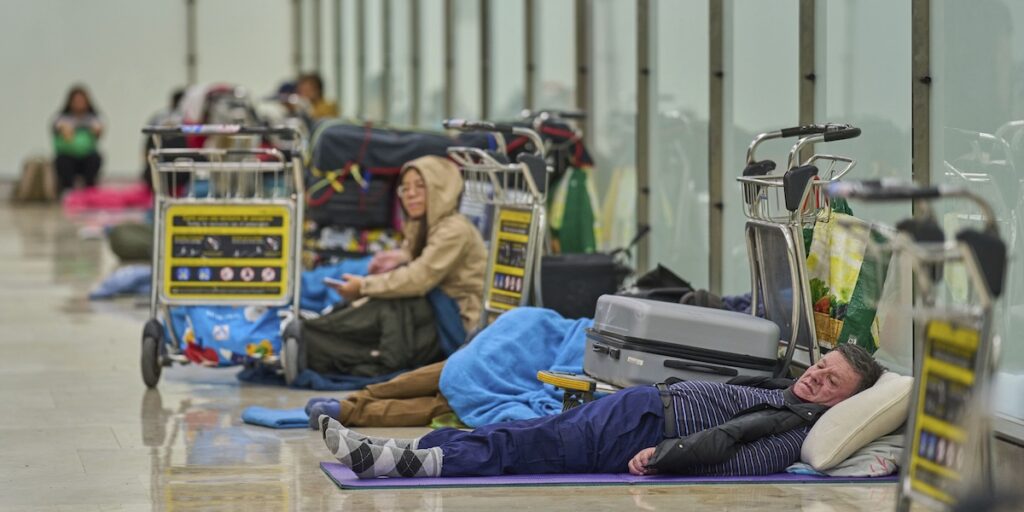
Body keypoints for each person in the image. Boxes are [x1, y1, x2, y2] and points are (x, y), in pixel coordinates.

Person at [318, 344, 886, 479]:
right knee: (519, 429)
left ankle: (398, 466)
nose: (814, 375)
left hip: (644, 429)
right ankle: (404, 453)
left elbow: (741, 461)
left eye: (829, 378)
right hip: (641, 409)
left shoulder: (797, 428)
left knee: (528, 448)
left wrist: (664, 459)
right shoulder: (788, 393)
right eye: (820, 365)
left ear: (847, 399)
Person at [301, 155, 487, 377]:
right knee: (386, 300)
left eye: (420, 186)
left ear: (441, 189)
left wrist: (364, 286)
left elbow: (419, 279)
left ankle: (313, 339)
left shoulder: (454, 230)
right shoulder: (425, 224)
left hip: (460, 325)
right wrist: (401, 257)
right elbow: (420, 263)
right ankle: (315, 335)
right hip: (438, 312)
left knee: (390, 308)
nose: (410, 194)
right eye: (405, 188)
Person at [52, 85, 103, 195]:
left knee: (95, 158)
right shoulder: (62, 117)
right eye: (76, 101)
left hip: (86, 157)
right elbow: (57, 126)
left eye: (82, 101)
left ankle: (90, 190)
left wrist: (96, 130)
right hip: (68, 156)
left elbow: (99, 129)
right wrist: (64, 129)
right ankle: (68, 191)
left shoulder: (92, 117)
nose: (79, 103)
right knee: (63, 161)